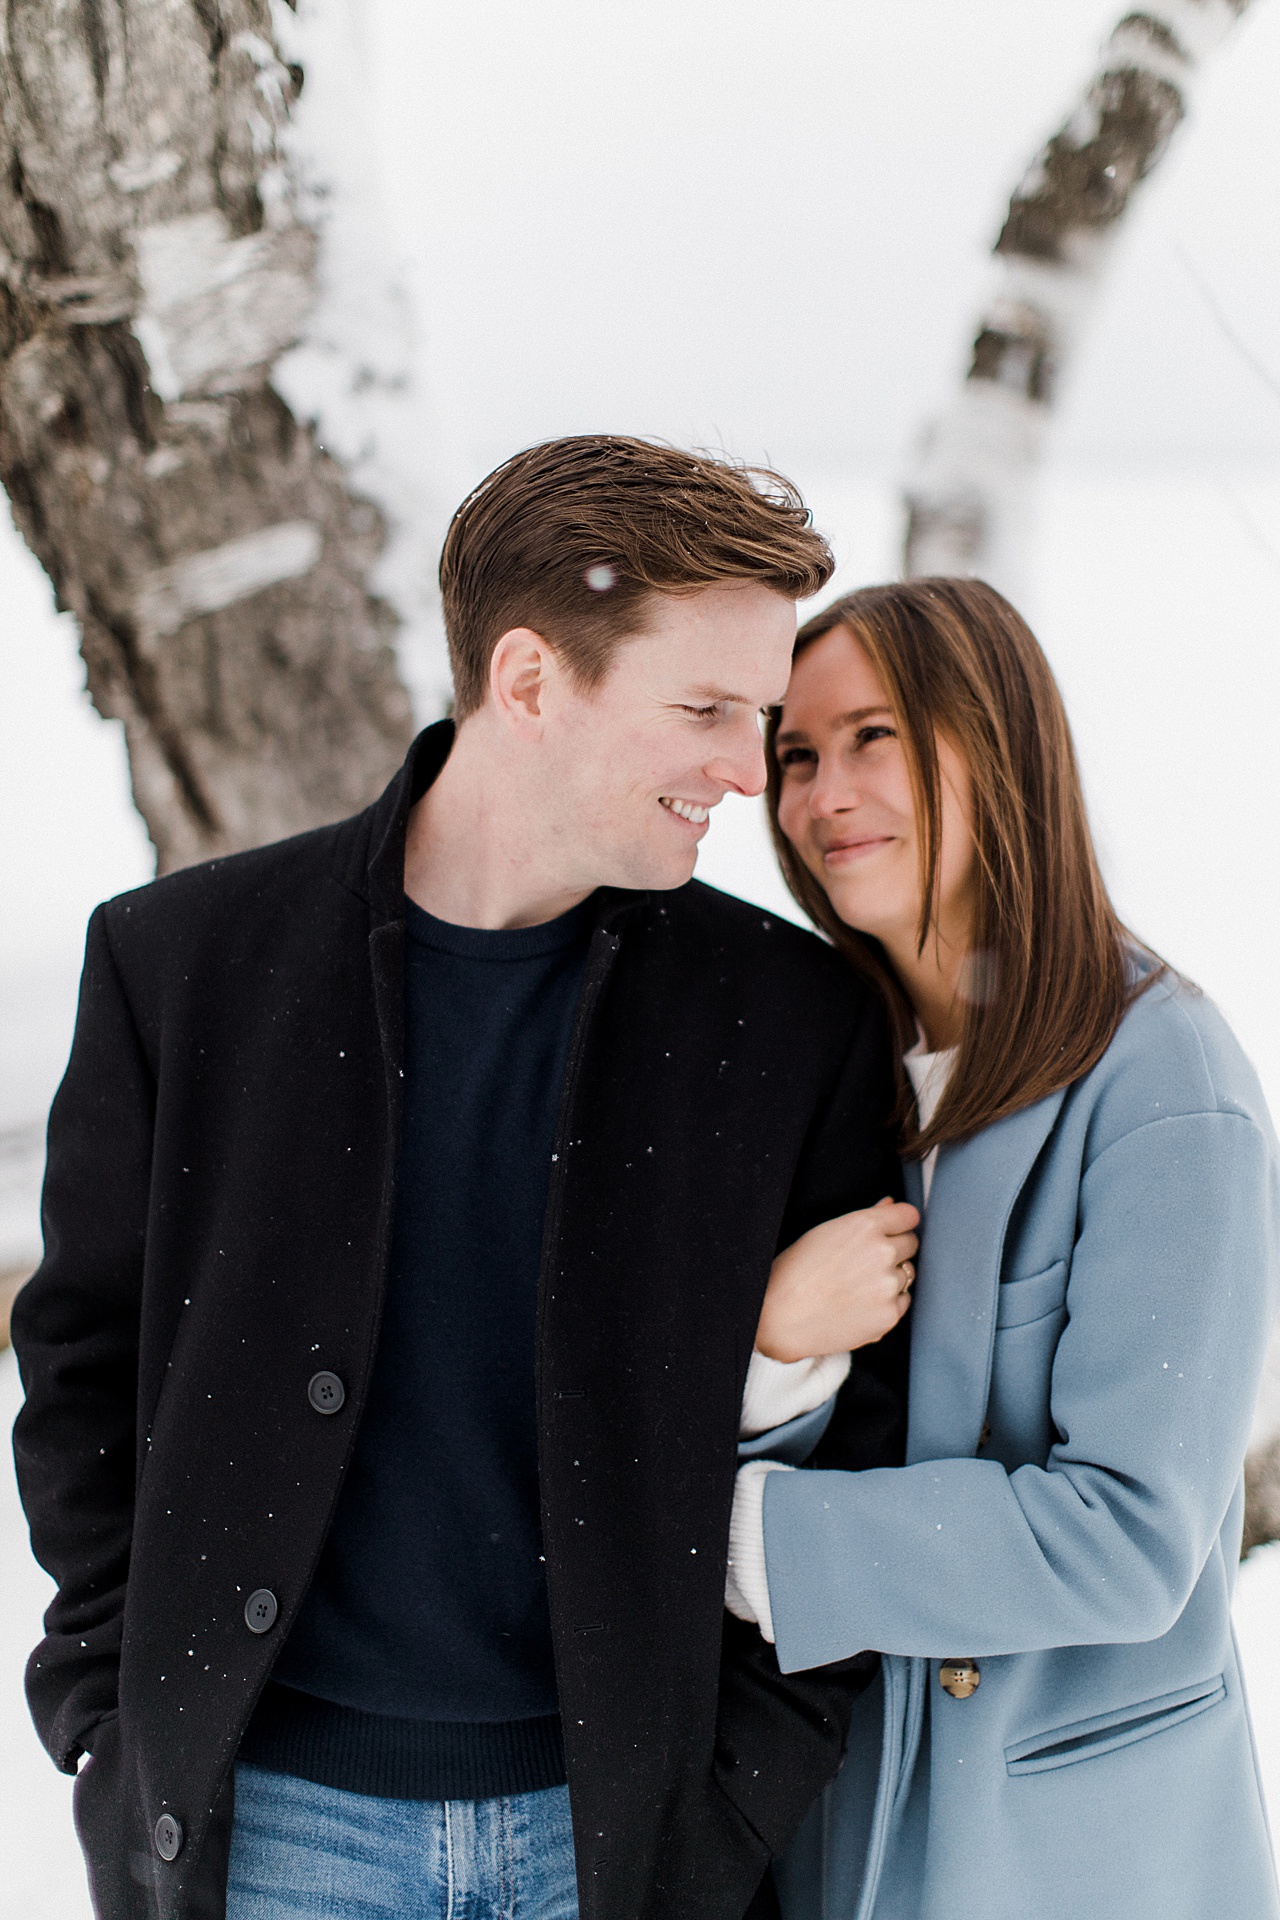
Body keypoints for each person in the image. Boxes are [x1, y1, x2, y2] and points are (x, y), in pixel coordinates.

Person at [12, 437, 918, 1920]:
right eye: (705, 711)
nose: (751, 776)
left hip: (622, 1844)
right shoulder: (185, 969)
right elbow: (81, 1377)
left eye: (760, 719)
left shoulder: (791, 1020)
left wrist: (733, 1794)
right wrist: (116, 1721)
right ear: (528, 681)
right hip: (272, 1841)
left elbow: (866, 1439)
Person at [726, 577, 1280, 1919]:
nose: (824, 793)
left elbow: (1130, 1538)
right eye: (795, 756)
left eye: (875, 738)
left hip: (1067, 1850)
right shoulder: (811, 1068)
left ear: (1000, 743)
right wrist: (773, 1351)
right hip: (835, 1822)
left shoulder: (1164, 1088)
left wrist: (749, 1543)